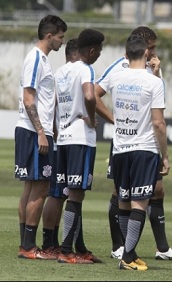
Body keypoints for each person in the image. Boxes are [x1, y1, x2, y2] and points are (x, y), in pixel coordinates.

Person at [94, 26, 172, 262]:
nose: (155, 52)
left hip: (140, 143)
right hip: (132, 142)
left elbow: (156, 103)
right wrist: (113, 120)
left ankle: (160, 249)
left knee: (155, 190)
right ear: (143, 48)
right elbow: (94, 93)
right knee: (124, 195)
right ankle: (122, 248)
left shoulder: (152, 73)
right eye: (153, 47)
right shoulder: (119, 68)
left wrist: (157, 74)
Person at [100, 34, 170, 270]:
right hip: (144, 149)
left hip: (119, 149)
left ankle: (129, 252)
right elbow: (158, 123)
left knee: (123, 201)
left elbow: (92, 93)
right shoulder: (153, 81)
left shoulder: (116, 76)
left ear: (126, 55)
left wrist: (104, 118)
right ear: (147, 54)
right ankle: (127, 257)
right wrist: (166, 156)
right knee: (140, 203)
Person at [15, 14, 67, 260]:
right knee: (41, 186)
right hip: (34, 130)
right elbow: (28, 98)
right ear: (49, 36)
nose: (62, 42)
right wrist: (41, 132)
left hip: (34, 129)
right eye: (60, 37)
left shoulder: (41, 59)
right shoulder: (36, 58)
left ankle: (26, 245)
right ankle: (28, 247)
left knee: (31, 186)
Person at [54, 28, 105, 264]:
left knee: (75, 194)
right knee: (76, 194)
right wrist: (92, 118)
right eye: (99, 51)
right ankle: (66, 250)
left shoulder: (62, 71)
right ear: (92, 50)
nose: (99, 55)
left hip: (63, 137)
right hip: (80, 138)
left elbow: (55, 104)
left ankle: (80, 248)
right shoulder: (85, 69)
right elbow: (89, 95)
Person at [41, 38, 79, 256]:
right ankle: (48, 243)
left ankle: (53, 241)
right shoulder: (68, 73)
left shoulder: (61, 74)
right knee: (56, 194)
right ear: (75, 54)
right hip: (61, 140)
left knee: (61, 193)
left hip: (63, 138)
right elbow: (53, 106)